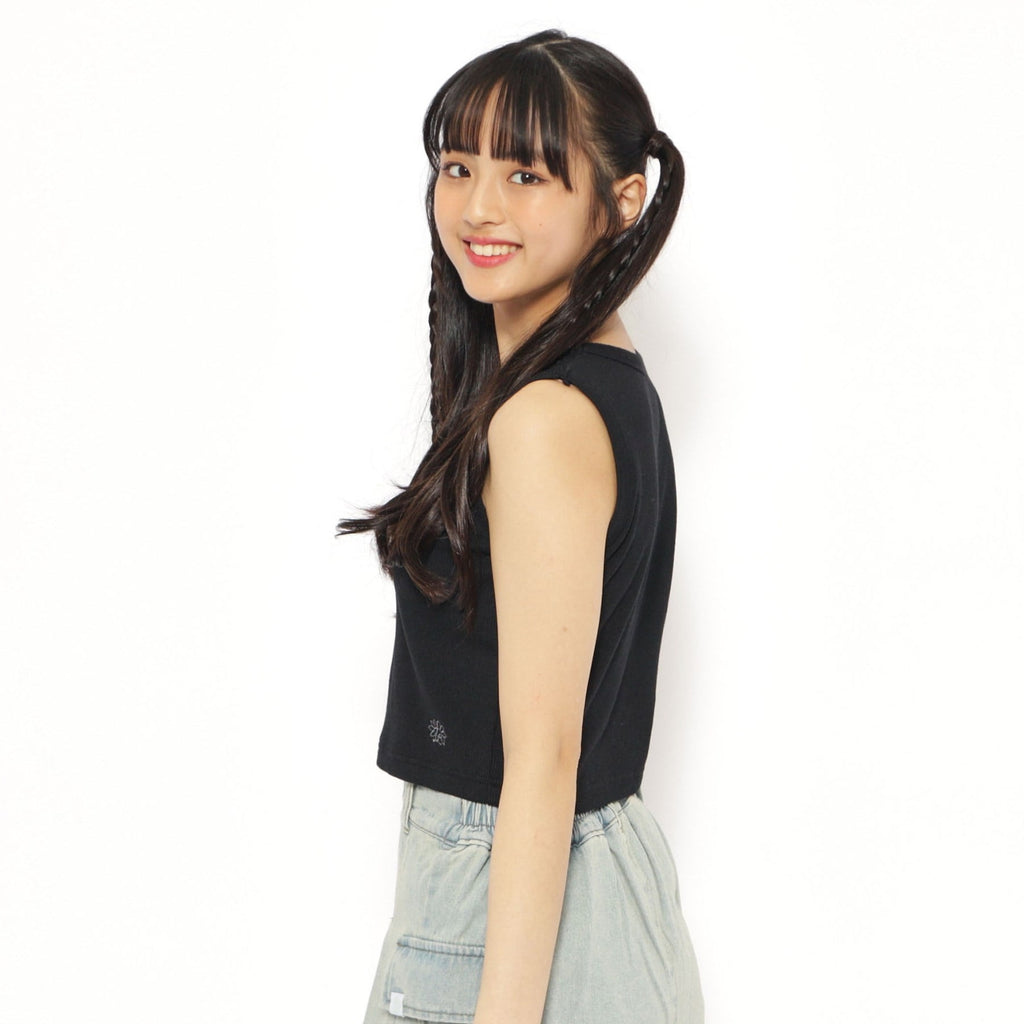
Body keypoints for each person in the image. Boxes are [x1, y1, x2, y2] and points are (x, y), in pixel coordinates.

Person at [337, 28, 704, 1024]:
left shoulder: (544, 419)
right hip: (597, 886)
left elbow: (540, 761)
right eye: (458, 166)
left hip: (508, 876)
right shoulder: (599, 388)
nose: (479, 207)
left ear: (621, 202)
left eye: (527, 175)